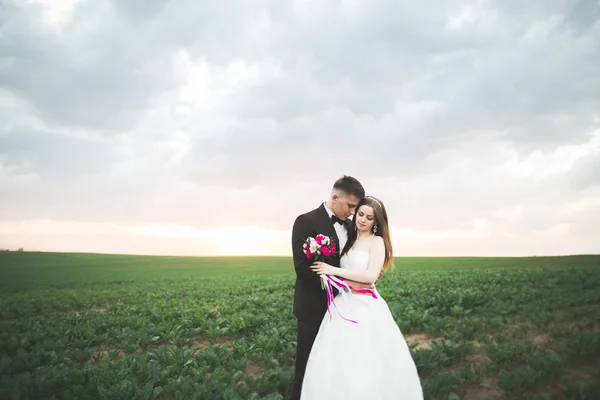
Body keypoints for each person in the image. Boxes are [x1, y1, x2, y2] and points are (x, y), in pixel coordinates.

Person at [301, 195, 424, 399]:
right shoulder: (348, 238)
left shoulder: (376, 242)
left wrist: (333, 271)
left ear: (376, 222)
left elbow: (369, 276)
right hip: (342, 306)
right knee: (338, 361)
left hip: (366, 306)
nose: (363, 220)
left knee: (365, 360)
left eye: (370, 217)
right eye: (360, 214)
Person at [290, 175, 371, 400]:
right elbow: (303, 269)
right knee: (306, 367)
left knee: (336, 367)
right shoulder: (305, 221)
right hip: (314, 309)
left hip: (345, 310)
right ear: (335, 197)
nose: (353, 213)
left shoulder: (350, 225)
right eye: (351, 206)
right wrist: (340, 285)